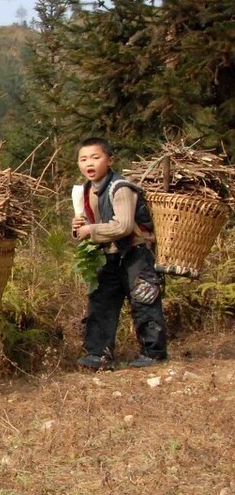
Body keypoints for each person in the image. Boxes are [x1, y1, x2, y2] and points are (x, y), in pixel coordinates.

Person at [72, 137, 168, 369]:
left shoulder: (120, 188)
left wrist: (90, 230)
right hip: (108, 254)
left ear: (110, 160)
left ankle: (153, 353)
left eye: (96, 157)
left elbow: (123, 226)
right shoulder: (84, 191)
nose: (89, 164)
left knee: (143, 298)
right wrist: (77, 228)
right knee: (101, 301)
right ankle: (98, 354)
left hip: (135, 252)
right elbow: (85, 228)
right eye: (83, 159)